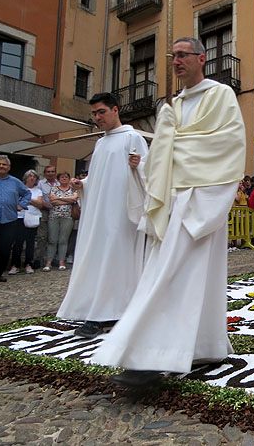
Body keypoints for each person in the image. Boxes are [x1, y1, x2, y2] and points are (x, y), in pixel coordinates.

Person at [92, 37, 246, 386]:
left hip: (202, 195)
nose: (176, 61)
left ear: (201, 59)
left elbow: (229, 143)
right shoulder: (171, 106)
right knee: (177, 273)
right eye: (172, 56)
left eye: (182, 55)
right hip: (173, 198)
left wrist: (184, 159)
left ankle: (150, 358)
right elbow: (160, 154)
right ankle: (201, 346)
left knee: (175, 274)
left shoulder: (220, 95)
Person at [57, 92, 148, 339]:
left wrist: (139, 165)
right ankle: (101, 310)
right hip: (99, 214)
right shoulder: (100, 144)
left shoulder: (133, 138)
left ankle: (107, 314)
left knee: (116, 262)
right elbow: (98, 177)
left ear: (115, 110)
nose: (97, 117)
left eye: (101, 112)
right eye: (94, 114)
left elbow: (150, 171)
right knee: (99, 260)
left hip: (121, 214)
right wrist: (82, 185)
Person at [0, 155, 31, 282]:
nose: (1, 166)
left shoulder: (15, 182)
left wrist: (22, 205)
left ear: (9, 167)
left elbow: (27, 193)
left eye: (4, 164)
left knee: (4, 247)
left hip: (9, 218)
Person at [9, 170, 46, 275]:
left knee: (30, 242)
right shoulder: (19, 189)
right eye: (30, 176)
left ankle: (28, 263)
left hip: (33, 217)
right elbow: (16, 202)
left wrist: (27, 200)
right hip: (20, 217)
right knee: (18, 242)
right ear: (26, 178)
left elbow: (40, 204)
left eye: (34, 176)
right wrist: (31, 201)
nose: (32, 178)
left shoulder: (37, 191)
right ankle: (15, 265)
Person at [43, 172, 78, 272]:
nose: (64, 178)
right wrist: (67, 200)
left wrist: (59, 198)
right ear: (58, 179)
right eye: (62, 177)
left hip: (68, 217)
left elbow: (74, 199)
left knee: (63, 240)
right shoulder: (54, 189)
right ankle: (49, 262)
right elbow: (52, 201)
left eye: (66, 177)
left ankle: (61, 261)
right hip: (54, 216)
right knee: (52, 239)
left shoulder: (73, 189)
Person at [35, 165, 58, 268]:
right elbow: (39, 197)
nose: (50, 173)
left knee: (53, 237)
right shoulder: (40, 184)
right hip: (44, 211)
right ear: (45, 173)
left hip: (56, 212)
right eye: (48, 171)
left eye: (52, 171)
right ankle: (38, 258)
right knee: (42, 237)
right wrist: (47, 206)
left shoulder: (59, 183)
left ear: (55, 173)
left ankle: (51, 259)